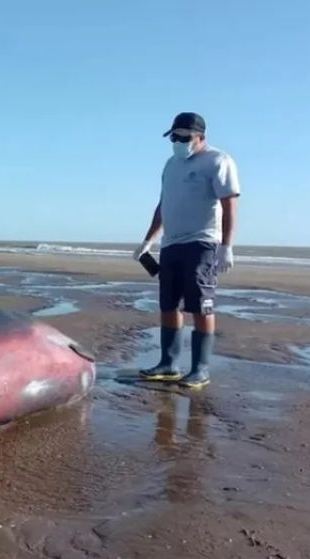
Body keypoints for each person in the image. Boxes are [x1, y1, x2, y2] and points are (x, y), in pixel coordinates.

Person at [133, 112, 241, 389]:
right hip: (172, 243)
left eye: (184, 137)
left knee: (200, 306)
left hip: (202, 242)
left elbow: (229, 204)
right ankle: (168, 364)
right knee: (168, 304)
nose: (178, 142)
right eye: (174, 137)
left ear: (201, 138)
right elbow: (163, 204)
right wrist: (149, 241)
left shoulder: (218, 161)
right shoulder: (171, 164)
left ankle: (200, 369)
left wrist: (226, 246)